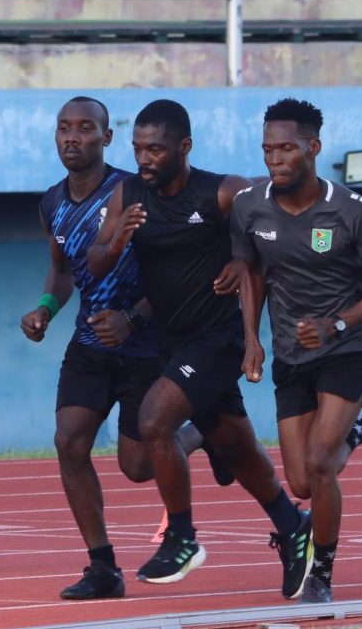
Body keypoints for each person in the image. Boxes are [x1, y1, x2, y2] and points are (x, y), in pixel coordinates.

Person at [85, 99, 317, 599]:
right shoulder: (126, 194)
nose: (144, 159)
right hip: (170, 340)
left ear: (184, 148)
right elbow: (96, 262)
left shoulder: (224, 192)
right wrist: (118, 241)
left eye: (155, 149)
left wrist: (246, 261)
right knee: (234, 447)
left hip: (216, 339)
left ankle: (183, 538)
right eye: (138, 149)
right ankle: (292, 524)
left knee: (154, 420)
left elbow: (280, 221)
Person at [21, 97, 228, 600]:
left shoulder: (132, 191)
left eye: (85, 128)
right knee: (69, 442)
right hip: (90, 343)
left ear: (106, 138)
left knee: (137, 467)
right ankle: (103, 568)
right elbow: (63, 271)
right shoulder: (52, 203)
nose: (73, 137)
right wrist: (47, 307)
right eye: (64, 128)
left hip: (145, 343)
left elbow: (175, 274)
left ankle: (207, 433)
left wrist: (133, 317)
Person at [231, 98, 362, 603]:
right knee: (301, 483)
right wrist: (252, 340)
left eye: (287, 148)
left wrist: (337, 324)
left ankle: (322, 577)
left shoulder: (351, 211)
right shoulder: (250, 205)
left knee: (320, 464)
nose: (275, 159)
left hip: (347, 347)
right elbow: (252, 273)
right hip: (291, 353)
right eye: (268, 149)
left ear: (313, 148)